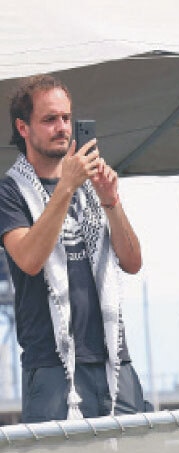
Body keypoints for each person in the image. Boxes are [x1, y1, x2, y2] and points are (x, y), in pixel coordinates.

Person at [0, 75, 146, 422]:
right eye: (49, 119)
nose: (62, 127)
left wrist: (111, 202)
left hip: (113, 359)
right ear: (23, 127)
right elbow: (30, 260)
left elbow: (132, 261)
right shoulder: (10, 191)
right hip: (52, 367)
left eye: (66, 118)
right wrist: (66, 185)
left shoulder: (91, 184)